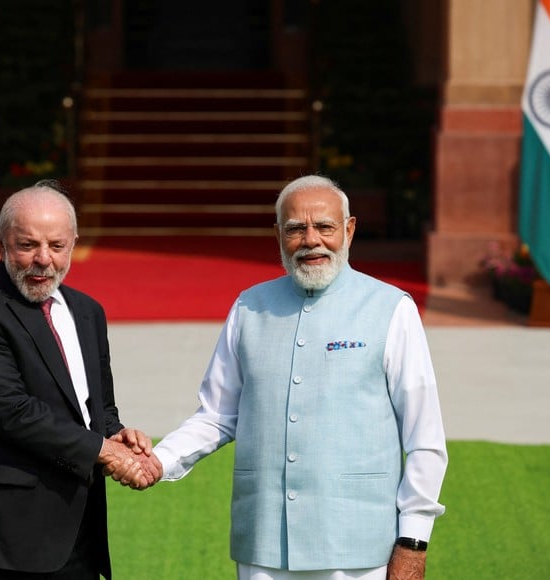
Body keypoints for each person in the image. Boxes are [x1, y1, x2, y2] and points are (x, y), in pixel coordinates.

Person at [150, 175, 448, 579]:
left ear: (349, 229)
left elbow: (425, 439)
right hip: (263, 546)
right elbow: (217, 414)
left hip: (358, 549)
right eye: (295, 229)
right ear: (278, 235)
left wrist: (413, 541)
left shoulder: (392, 309)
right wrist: (157, 460)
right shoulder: (249, 307)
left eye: (325, 226)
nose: (311, 240)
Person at [0, 181, 158, 579]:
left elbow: (97, 408)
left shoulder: (88, 312)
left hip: (77, 537)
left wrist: (119, 435)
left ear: (73, 243)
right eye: (27, 245)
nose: (43, 260)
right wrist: (106, 452)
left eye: (57, 246)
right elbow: (14, 411)